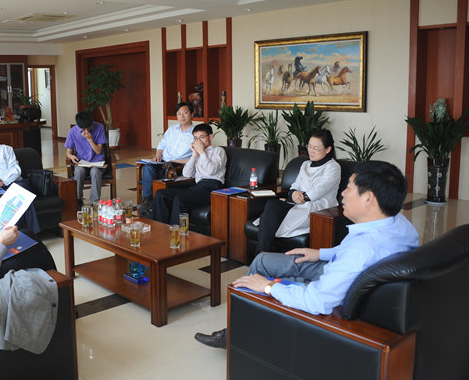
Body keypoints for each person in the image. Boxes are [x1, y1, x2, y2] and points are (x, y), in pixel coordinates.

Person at [194, 160, 419, 349]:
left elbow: (318, 301)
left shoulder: (363, 249)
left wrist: (268, 287)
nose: (343, 193)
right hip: (341, 272)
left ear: (368, 198)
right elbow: (351, 254)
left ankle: (237, 334)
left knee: (259, 279)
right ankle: (239, 327)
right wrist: (320, 253)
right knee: (261, 260)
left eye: (349, 188)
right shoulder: (399, 223)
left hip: (331, 294)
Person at [254, 129, 341, 253]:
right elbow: (295, 185)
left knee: (270, 219)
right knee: (272, 204)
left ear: (328, 149)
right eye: (309, 146)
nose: (311, 151)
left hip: (317, 209)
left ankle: (261, 255)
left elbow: (316, 192)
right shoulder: (305, 164)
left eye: (316, 148)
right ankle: (262, 253)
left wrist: (291, 198)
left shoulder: (333, 167)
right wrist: (293, 193)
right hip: (297, 203)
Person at [150, 123, 226, 226]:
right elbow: (186, 173)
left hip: (212, 188)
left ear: (210, 137)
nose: (198, 142)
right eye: (195, 138)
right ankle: (159, 229)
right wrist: (194, 154)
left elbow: (210, 171)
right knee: (161, 194)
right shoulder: (197, 153)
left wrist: (202, 153)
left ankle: (176, 232)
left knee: (180, 199)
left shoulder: (218, 151)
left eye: (201, 137)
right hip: (197, 186)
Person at [138, 102, 195, 214]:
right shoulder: (172, 129)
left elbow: (194, 156)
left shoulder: (195, 133)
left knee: (158, 172)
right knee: (147, 167)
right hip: (162, 161)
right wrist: (158, 154)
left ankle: (154, 205)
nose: (182, 116)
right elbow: (162, 143)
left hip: (177, 165)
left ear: (192, 114)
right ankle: (148, 200)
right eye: (179, 114)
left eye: (185, 113)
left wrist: (174, 161)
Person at [65, 111, 107, 207]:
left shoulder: (99, 127)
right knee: (79, 171)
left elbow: (98, 151)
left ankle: (94, 203)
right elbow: (68, 152)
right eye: (83, 129)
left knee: (95, 172)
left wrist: (90, 139)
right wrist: (71, 157)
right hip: (82, 162)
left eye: (88, 127)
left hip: (97, 162)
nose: (86, 130)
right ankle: (78, 200)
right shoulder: (73, 132)